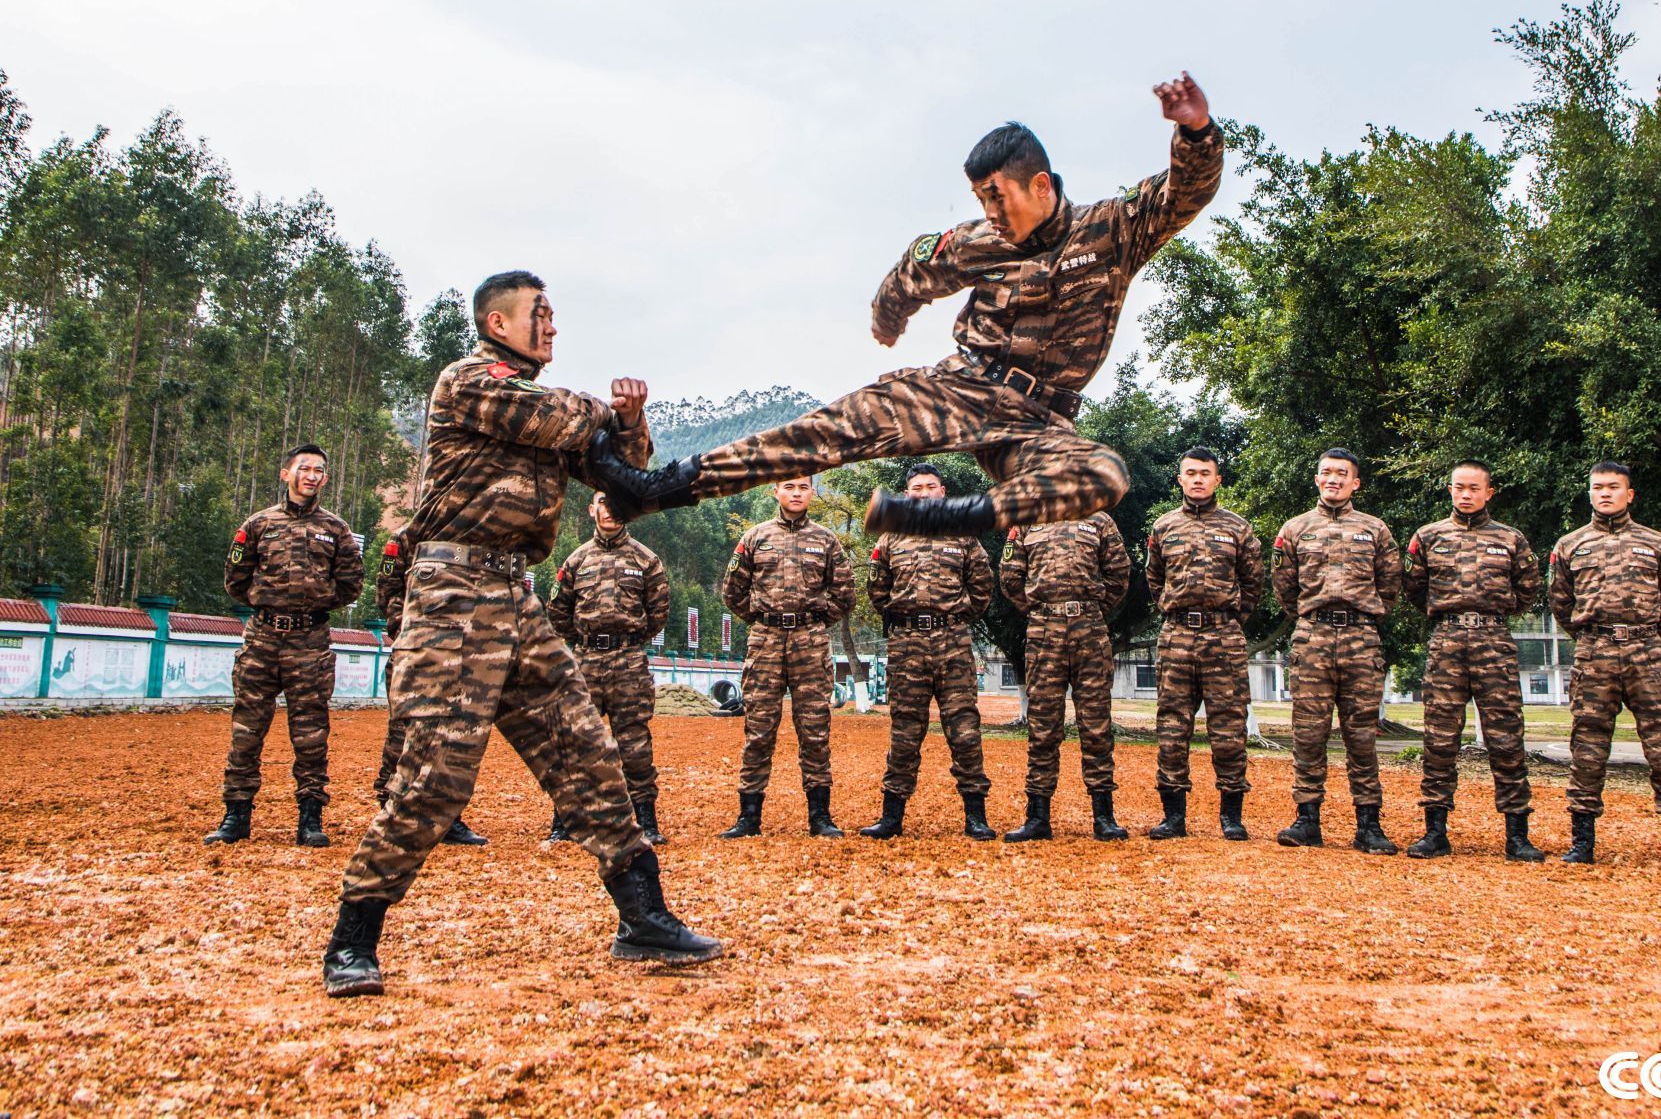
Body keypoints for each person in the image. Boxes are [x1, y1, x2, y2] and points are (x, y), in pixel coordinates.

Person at [587, 74, 1223, 538]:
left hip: (1037, 421)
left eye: (998, 198)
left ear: (1039, 184)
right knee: (825, 430)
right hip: (960, 388)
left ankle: (942, 517)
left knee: (1105, 474)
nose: (990, 215)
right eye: (979, 200)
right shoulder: (978, 240)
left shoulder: (1110, 231)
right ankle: (658, 488)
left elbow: (1181, 194)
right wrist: (886, 318)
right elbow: (913, 271)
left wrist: (1194, 130)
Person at [323, 270, 721, 999]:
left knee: (588, 755)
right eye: (541, 314)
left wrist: (630, 425)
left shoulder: (541, 409)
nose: (553, 327)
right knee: (433, 779)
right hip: (451, 596)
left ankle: (644, 917)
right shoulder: (470, 382)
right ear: (498, 324)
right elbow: (568, 417)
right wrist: (607, 409)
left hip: (513, 592)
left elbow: (622, 481)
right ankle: (353, 940)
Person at [207, 444, 364, 848]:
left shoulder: (337, 530)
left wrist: (311, 604)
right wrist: (269, 605)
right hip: (261, 640)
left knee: (311, 734)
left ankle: (310, 818)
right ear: (286, 474)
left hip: (310, 641)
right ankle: (235, 815)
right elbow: (235, 579)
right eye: (304, 468)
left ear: (325, 480)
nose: (311, 476)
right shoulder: (258, 525)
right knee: (247, 731)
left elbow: (351, 585)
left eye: (319, 471)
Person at [1548, 460, 1661, 867]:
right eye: (1598, 487)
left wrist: (1653, 635)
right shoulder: (1570, 545)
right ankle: (1582, 842)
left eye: (1614, 487)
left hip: (1646, 652)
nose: (1605, 493)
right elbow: (1560, 603)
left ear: (1629, 494)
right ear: (1589, 493)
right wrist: (1589, 637)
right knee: (1587, 749)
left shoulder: (1656, 542)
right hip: (1594, 653)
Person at [1401, 460, 1543, 861]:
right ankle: (1435, 831)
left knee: (1506, 739)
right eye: (1459, 487)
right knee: (1439, 738)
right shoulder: (1428, 537)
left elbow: (1527, 589)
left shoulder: (1511, 539)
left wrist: (1493, 613)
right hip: (1446, 640)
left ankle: (1517, 835)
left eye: (1474, 488)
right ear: (1449, 490)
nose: (1466, 494)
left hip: (1493, 640)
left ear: (1489, 492)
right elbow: (1414, 586)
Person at [1271, 449, 1402, 855]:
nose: (1334, 479)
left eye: (1342, 474)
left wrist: (1361, 616)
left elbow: (1391, 584)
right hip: (1313, 638)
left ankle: (1369, 824)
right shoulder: (1294, 529)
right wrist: (1314, 618)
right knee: (1308, 735)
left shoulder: (1375, 529)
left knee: (1361, 736)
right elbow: (1284, 587)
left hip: (1362, 639)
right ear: (1316, 479)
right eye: (1326, 472)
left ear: (1355, 483)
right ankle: (1307, 819)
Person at [860, 463, 996, 841]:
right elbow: (877, 589)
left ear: (942, 491)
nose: (923, 492)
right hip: (907, 647)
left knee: (965, 731)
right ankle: (891, 817)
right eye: (916, 487)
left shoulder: (963, 534)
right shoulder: (890, 537)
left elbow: (982, 585)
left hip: (952, 644)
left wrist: (953, 617)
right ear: (907, 495)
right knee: (904, 730)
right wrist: (905, 619)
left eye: (930, 486)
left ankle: (976, 817)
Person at [718, 475, 856, 839]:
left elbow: (845, 592)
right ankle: (749, 818)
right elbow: (732, 591)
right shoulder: (755, 537)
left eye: (803, 488)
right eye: (789, 486)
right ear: (775, 491)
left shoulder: (826, 540)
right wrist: (763, 620)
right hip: (765, 641)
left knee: (814, 730)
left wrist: (813, 621)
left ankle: (820, 817)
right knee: (759, 729)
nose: (796, 493)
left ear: (813, 492)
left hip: (810, 642)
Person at [1143, 447, 1264, 840]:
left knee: (1229, 729)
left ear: (1218, 480)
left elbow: (1253, 583)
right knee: (1172, 728)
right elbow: (1154, 579)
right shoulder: (1163, 527)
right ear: (1179, 479)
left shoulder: (1237, 527)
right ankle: (1173, 816)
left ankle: (1232, 816)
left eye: (1205, 473)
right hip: (1176, 636)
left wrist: (1227, 618)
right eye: (1190, 473)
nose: (1198, 480)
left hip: (1223, 637)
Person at [547, 492, 674, 844]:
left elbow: (658, 613)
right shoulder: (576, 561)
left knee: (634, 743)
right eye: (603, 502)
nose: (610, 510)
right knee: (576, 742)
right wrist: (586, 641)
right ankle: (566, 822)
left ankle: (646, 820)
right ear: (592, 510)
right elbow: (558, 611)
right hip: (585, 660)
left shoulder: (647, 560)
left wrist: (625, 641)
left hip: (629, 662)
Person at [998, 510, 1131, 841]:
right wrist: (1040, 608)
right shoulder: (1025, 521)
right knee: (1042, 727)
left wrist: (1092, 608)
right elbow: (1009, 576)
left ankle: (1104, 817)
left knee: (1097, 726)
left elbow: (1119, 574)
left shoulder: (1101, 521)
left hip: (1090, 630)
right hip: (1045, 632)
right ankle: (1037, 817)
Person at [371, 525, 485, 846]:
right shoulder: (405, 537)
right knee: (404, 732)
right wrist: (410, 631)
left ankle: (446, 818)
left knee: (454, 735)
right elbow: (388, 592)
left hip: (463, 653)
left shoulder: (478, 537)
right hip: (416, 649)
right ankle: (391, 810)